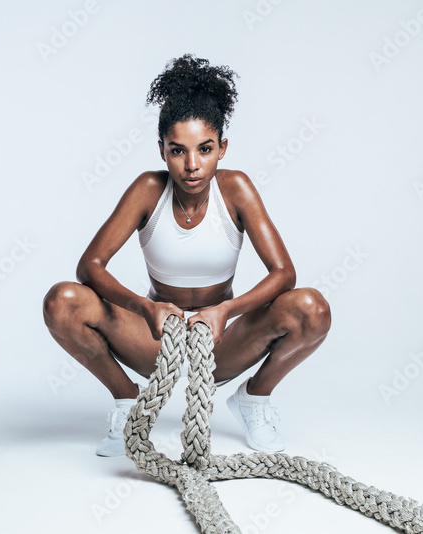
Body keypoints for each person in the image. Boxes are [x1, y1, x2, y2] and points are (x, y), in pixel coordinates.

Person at [43, 54, 331, 457]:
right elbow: (89, 266)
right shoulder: (147, 189)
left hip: (220, 339)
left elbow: (284, 274)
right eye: (178, 151)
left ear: (222, 149)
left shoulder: (236, 189)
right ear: (162, 150)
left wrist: (225, 311)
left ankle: (254, 399)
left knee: (311, 309)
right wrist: (145, 307)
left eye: (205, 149)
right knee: (63, 301)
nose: (192, 166)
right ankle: (128, 403)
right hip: (155, 337)